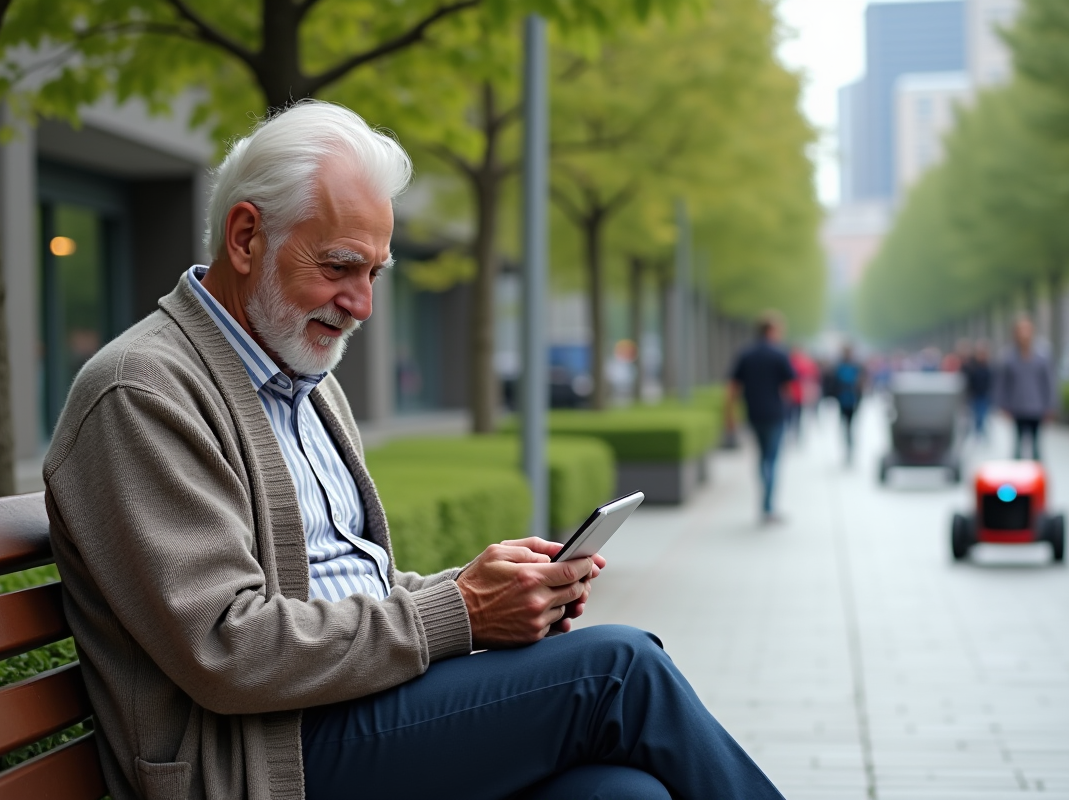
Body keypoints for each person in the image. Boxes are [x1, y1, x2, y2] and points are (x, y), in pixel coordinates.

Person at [43, 101, 785, 800]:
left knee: (624, 792)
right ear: (245, 238)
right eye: (338, 267)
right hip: (259, 762)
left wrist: (483, 589)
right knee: (620, 671)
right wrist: (459, 612)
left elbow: (347, 586)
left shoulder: (304, 382)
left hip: (344, 715)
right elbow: (228, 648)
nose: (362, 303)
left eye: (373, 273)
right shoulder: (141, 391)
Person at [725, 312, 796, 524]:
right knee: (772, 460)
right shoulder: (779, 354)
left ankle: (764, 500)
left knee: (762, 457)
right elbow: (790, 387)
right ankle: (768, 506)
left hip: (753, 413)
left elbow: (733, 388)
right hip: (775, 414)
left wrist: (730, 415)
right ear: (772, 331)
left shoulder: (746, 354)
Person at [994, 316, 1057, 461]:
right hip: (1017, 407)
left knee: (1036, 448)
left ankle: (1036, 479)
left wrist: (1051, 405)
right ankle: (1017, 478)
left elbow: (1049, 381)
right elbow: (1002, 383)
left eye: (1026, 330)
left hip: (1037, 407)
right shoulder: (1008, 356)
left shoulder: (1043, 354)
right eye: (1020, 330)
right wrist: (1002, 405)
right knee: (1017, 447)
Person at [831, 343, 866, 464]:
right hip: (844, 400)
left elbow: (861, 385)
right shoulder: (842, 367)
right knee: (847, 426)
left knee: (849, 426)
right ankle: (848, 448)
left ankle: (850, 448)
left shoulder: (854, 367)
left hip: (851, 400)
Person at [962, 340, 994, 441]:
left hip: (985, 395)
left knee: (982, 415)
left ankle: (981, 432)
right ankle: (979, 433)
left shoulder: (989, 366)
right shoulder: (971, 366)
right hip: (974, 395)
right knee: (977, 415)